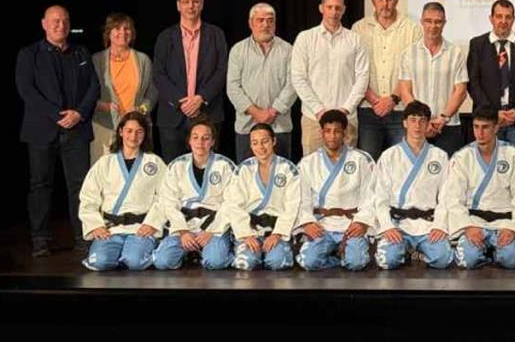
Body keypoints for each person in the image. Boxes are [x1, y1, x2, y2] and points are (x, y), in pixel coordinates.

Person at [15, 4, 99, 257]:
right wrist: (57, 115)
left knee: (80, 186)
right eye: (54, 21)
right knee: (41, 184)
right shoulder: (29, 54)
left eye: (64, 20)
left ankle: (82, 236)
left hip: (77, 129)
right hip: (42, 130)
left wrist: (79, 113)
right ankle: (40, 239)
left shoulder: (81, 52)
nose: (60, 25)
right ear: (44, 23)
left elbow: (93, 88)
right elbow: (26, 90)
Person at [443, 105, 515, 269]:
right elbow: (453, 198)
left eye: (485, 127)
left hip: (504, 222)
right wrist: (468, 227)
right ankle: (486, 253)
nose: (480, 133)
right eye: (476, 127)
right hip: (475, 222)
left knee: (510, 260)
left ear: (496, 127)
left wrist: (512, 228)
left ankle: (495, 252)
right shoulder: (462, 157)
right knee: (466, 261)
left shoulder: (514, 155)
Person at [77, 111, 166, 270]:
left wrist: (152, 224)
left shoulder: (154, 162)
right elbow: (88, 197)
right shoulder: (105, 162)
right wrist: (96, 226)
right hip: (111, 228)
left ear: (145, 134)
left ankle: (133, 253)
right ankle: (119, 254)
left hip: (141, 229)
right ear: (121, 132)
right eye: (129, 131)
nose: (133, 136)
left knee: (135, 262)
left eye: (139, 131)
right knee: (100, 262)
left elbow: (166, 197)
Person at [371, 101, 453, 270]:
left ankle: (415, 253)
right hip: (398, 223)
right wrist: (387, 226)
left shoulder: (440, 156)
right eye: (413, 120)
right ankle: (404, 251)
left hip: (428, 224)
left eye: (422, 120)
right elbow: (380, 197)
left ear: (428, 124)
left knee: (443, 259)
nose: (417, 125)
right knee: (387, 261)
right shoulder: (389, 156)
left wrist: (439, 225)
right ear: (404, 123)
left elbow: (446, 197)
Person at [153, 0, 229, 162]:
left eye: (195, 2)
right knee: (174, 170)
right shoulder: (165, 37)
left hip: (208, 112)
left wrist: (201, 98)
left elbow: (222, 70)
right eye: (186, 2)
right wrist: (183, 102)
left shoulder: (216, 34)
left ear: (202, 4)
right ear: (178, 5)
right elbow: (158, 74)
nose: (190, 6)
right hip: (172, 118)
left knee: (208, 170)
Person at [293, 110, 376, 271]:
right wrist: (308, 222)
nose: (332, 136)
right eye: (328, 131)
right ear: (321, 133)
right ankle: (338, 258)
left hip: (351, 223)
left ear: (344, 133)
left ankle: (348, 255)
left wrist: (362, 222)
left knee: (357, 263)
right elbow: (302, 199)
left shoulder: (361, 159)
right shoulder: (308, 163)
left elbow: (370, 196)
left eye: (337, 131)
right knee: (308, 263)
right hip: (321, 223)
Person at [291, 0, 370, 156]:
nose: (334, 12)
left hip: (347, 120)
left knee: (347, 173)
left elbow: (362, 77)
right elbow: (298, 78)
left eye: (337, 8)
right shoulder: (305, 38)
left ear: (344, 10)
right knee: (312, 172)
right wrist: (319, 110)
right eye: (329, 7)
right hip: (313, 119)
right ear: (321, 8)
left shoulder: (355, 39)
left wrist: (345, 110)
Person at [151, 118, 238, 270]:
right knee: (162, 261)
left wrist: (212, 230)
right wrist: (183, 231)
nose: (200, 142)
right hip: (185, 226)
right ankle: (189, 252)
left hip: (214, 227)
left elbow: (231, 202)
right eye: (195, 137)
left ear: (212, 142)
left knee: (215, 262)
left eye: (206, 138)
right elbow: (168, 201)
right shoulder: (177, 166)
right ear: (189, 141)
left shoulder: (225, 166)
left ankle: (221, 251)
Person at [353, 0, 423, 157]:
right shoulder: (358, 29)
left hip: (400, 112)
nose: (385, 4)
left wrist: (393, 98)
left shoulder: (412, 29)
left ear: (397, 0)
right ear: (373, 1)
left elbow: (414, 71)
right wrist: (375, 100)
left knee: (402, 164)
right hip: (368, 110)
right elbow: (354, 70)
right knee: (369, 165)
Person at [220, 124, 302, 270]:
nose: (260, 147)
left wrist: (277, 234)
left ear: (274, 141)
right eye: (255, 143)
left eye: (265, 141)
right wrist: (246, 235)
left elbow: (292, 206)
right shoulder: (243, 170)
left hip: (277, 230)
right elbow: (234, 205)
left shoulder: (288, 169)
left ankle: (278, 251)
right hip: (251, 230)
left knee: (277, 263)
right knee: (245, 264)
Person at [466, 0, 515, 150]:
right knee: (490, 168)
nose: (503, 21)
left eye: (508, 17)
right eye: (499, 16)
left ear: (513, 20)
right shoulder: (477, 44)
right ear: (491, 18)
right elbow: (473, 83)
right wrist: (494, 113)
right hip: (487, 121)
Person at [226, 2, 297, 161]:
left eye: (270, 20)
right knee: (247, 179)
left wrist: (273, 111)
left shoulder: (288, 50)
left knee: (281, 177)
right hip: (247, 127)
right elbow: (232, 87)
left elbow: (293, 85)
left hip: (279, 126)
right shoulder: (238, 50)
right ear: (251, 23)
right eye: (261, 20)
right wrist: (256, 112)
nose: (266, 24)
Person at [396, 2, 468, 155]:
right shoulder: (409, 53)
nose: (433, 26)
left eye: (438, 21)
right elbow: (404, 90)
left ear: (444, 23)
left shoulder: (455, 53)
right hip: (417, 126)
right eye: (428, 21)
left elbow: (460, 91)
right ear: (422, 22)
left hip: (448, 126)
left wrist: (442, 118)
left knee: (449, 175)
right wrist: (422, 120)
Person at [90, 13, 157, 164]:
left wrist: (143, 108)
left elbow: (153, 90)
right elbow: (87, 93)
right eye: (117, 29)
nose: (123, 33)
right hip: (105, 127)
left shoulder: (143, 60)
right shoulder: (97, 60)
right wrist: (102, 105)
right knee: (105, 177)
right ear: (109, 33)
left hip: (137, 129)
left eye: (127, 29)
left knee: (138, 177)